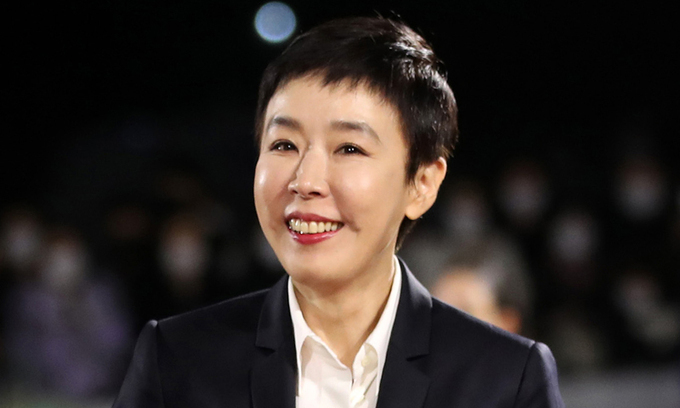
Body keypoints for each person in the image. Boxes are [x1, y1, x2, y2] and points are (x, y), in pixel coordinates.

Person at [113, 16, 564, 408]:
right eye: (284, 145)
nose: (305, 180)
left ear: (422, 184)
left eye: (349, 148)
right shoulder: (176, 361)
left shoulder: (504, 379)